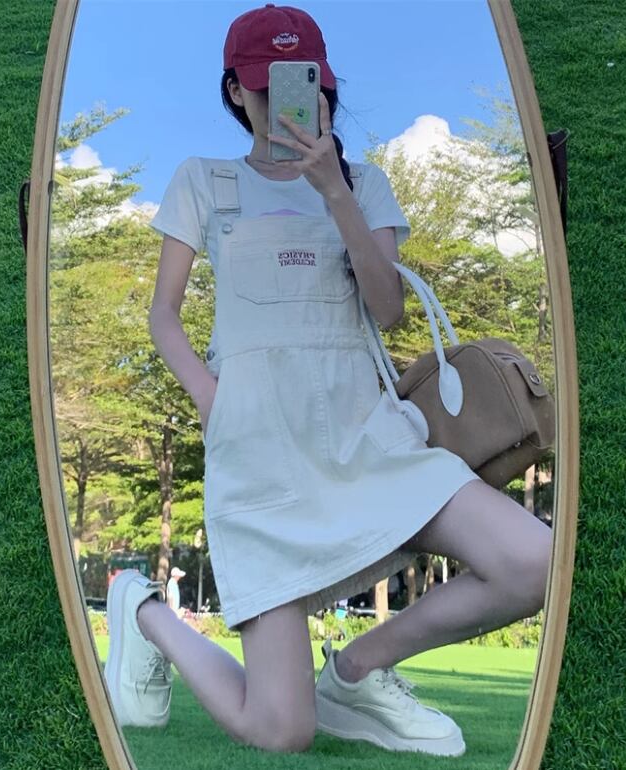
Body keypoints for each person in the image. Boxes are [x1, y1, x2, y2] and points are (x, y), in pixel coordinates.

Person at [104, 3, 552, 756]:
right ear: (237, 91)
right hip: (259, 455)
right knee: (281, 729)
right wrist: (215, 402)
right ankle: (141, 611)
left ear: (323, 87)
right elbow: (163, 316)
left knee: (535, 563)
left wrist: (333, 191)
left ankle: (355, 671)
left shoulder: (364, 184)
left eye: (301, 83)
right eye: (265, 85)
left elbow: (388, 311)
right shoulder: (204, 180)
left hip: (367, 439)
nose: (284, 103)